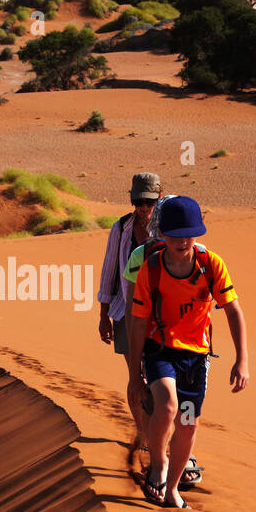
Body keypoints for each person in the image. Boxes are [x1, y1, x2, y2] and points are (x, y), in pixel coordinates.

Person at [127, 196, 249, 508]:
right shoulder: (150, 269)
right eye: (175, 234)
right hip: (159, 349)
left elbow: (233, 310)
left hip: (195, 357)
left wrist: (242, 359)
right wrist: (134, 373)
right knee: (166, 405)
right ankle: (158, 465)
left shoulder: (211, 265)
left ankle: (172, 491)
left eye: (189, 234)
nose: (183, 241)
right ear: (162, 234)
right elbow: (138, 322)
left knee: (188, 423)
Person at [98, 172, 161, 451]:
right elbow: (109, 270)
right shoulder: (121, 228)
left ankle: (158, 436)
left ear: (159, 197)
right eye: (138, 201)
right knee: (136, 375)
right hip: (125, 313)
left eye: (149, 201)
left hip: (160, 316)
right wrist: (103, 316)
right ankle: (143, 435)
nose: (144, 207)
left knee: (160, 380)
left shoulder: (168, 229)